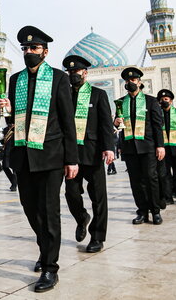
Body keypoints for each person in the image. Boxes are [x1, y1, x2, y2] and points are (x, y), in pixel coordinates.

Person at [0, 26, 79, 292]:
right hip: (23, 156)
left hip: (50, 156)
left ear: (45, 52)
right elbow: (14, 119)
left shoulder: (57, 78)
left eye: (34, 48)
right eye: (25, 48)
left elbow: (68, 120)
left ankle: (50, 268)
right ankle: (45, 249)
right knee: (30, 209)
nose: (28, 52)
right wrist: (8, 111)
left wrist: (72, 159)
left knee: (49, 212)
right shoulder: (16, 80)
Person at [62, 55, 114, 253]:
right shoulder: (64, 94)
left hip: (92, 153)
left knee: (98, 197)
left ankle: (97, 236)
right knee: (71, 193)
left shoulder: (98, 95)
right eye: (70, 71)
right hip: (70, 155)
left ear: (85, 73)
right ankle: (82, 217)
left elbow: (105, 125)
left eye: (77, 71)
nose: (73, 74)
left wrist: (108, 147)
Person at [113, 67, 164, 225]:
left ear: (139, 82)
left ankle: (155, 211)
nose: (130, 83)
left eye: (133, 80)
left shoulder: (150, 101)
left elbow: (157, 125)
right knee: (136, 181)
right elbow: (118, 124)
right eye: (128, 81)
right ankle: (142, 211)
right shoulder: (121, 102)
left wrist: (160, 146)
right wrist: (115, 123)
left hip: (148, 146)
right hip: (130, 148)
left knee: (151, 178)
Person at [0, 124, 18, 191]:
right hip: (6, 151)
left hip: (14, 151)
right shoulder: (5, 129)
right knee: (5, 167)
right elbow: (3, 140)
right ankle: (14, 182)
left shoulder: (17, 128)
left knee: (14, 169)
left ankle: (14, 185)